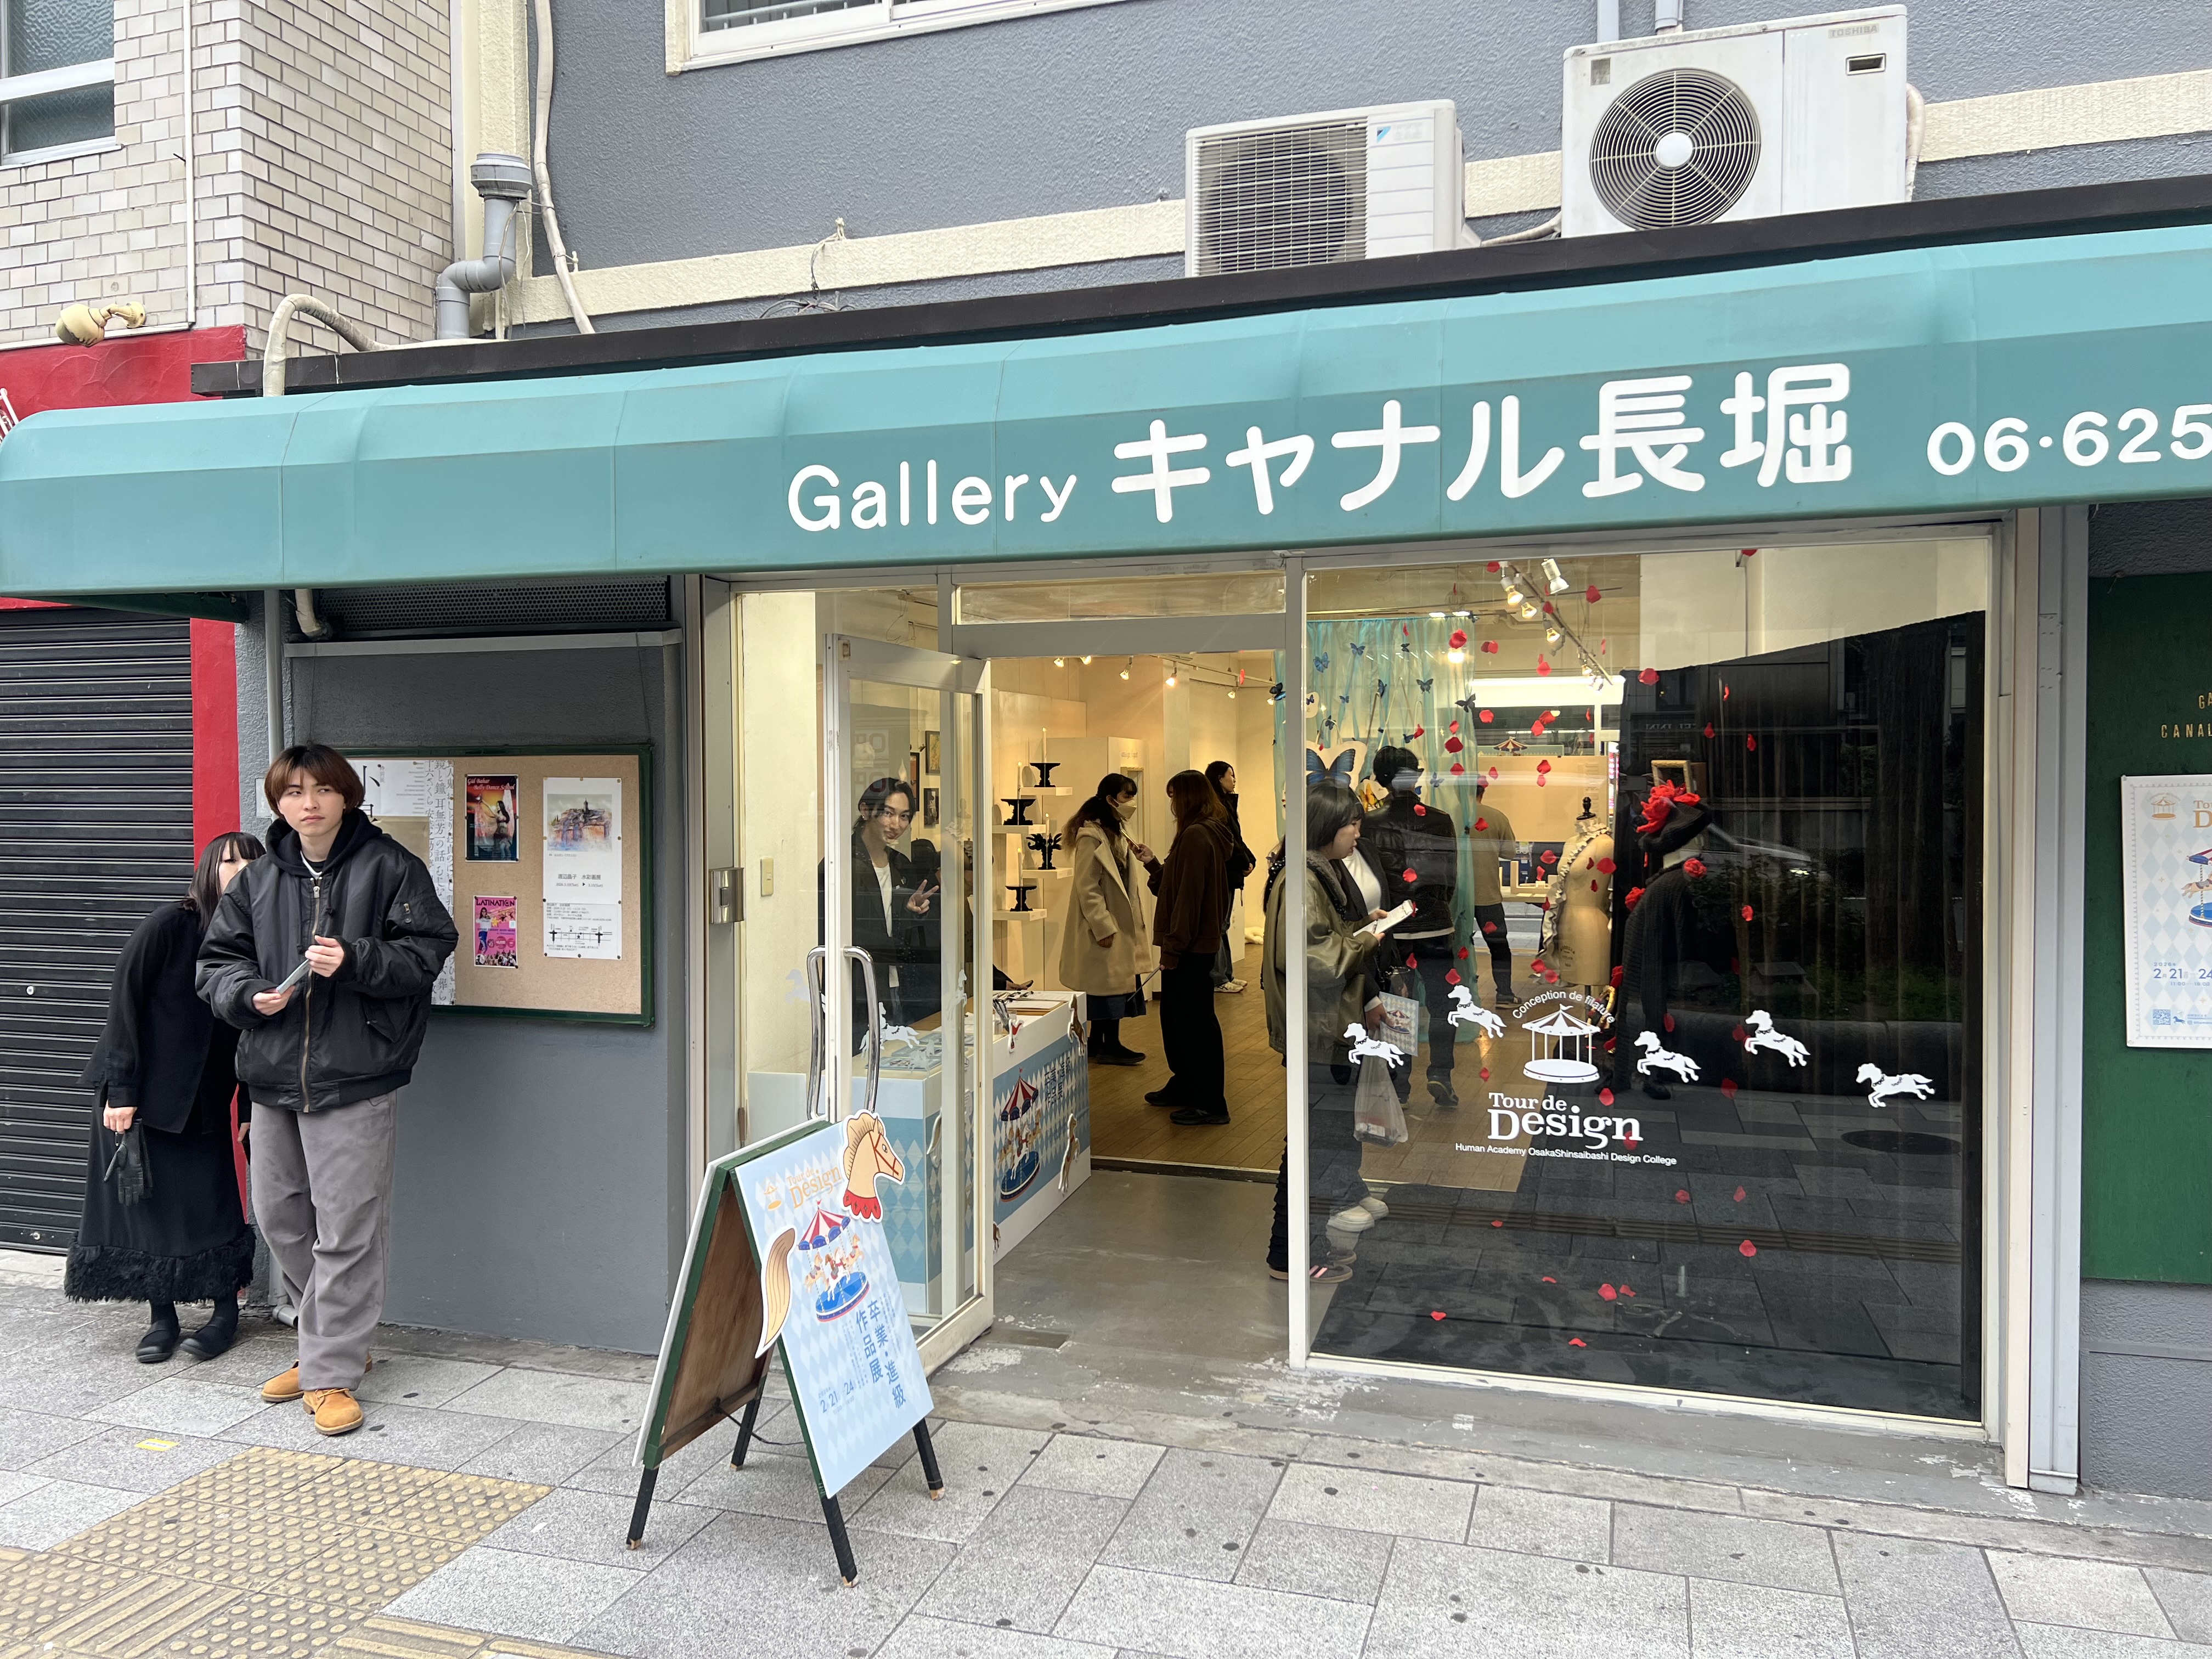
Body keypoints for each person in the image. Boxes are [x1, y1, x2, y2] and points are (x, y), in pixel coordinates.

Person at [198, 743, 458, 1437]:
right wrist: (248, 995)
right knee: (280, 1216)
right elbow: (216, 962)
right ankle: (327, 1345)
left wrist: (356, 958)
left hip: (356, 1072)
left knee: (347, 1226)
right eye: (292, 792)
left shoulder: (391, 867)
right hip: (272, 1072)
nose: (307, 803)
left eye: (320, 789)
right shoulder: (258, 880)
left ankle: (331, 1370)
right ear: (278, 803)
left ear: (346, 795)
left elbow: (429, 951)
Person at [68, 832, 267, 1362]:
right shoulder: (169, 924)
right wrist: (122, 1091)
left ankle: (225, 1313)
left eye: (253, 860)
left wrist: (249, 1105)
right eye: (229, 860)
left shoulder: (259, 936)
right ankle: (163, 1317)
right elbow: (124, 1006)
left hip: (206, 1097)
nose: (241, 869)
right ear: (208, 869)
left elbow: (256, 1030)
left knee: (214, 1203)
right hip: (139, 1094)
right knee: (149, 1208)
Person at [1262, 779, 1388, 1283]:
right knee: (1310, 1145)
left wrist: (1360, 929)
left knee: (1316, 1141)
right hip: (1318, 1030)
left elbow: (1321, 942)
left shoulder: (1316, 873)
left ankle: (1299, 1247)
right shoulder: (1304, 879)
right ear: (1327, 827)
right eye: (1352, 824)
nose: (1358, 833)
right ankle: (1290, 1254)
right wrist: (1368, 939)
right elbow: (1316, 959)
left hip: (1324, 1027)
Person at [1359, 746, 1463, 1105]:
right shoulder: (1440, 820)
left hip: (1392, 929)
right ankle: (1441, 1074)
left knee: (1398, 1006)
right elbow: (1449, 879)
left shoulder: (1369, 823)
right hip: (1435, 925)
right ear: (1416, 776)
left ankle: (1400, 1085)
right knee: (1443, 1005)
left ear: (1380, 779)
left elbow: (1370, 882)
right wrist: (1435, 907)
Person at [1138, 770, 1238, 1125]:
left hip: (1191, 949)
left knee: (1195, 1024)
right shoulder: (1198, 833)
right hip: (1191, 946)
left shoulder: (1197, 835)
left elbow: (1188, 901)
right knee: (1178, 1020)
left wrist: (1173, 949)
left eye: (1174, 797)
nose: (1172, 805)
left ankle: (1209, 1101)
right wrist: (1152, 863)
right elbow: (1174, 886)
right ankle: (1186, 1085)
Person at [823, 777, 939, 1046]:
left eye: (904, 816)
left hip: (898, 985)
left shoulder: (901, 864)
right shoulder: (841, 864)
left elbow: (898, 929)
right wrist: (892, 948)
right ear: (866, 811)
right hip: (856, 987)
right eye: (888, 813)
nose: (896, 824)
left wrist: (913, 911)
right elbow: (837, 933)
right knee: (861, 1059)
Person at [1058, 773, 1155, 1066]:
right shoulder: (1092, 836)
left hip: (1118, 923)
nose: (1132, 802)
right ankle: (1105, 1044)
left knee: (1112, 987)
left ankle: (1102, 1043)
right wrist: (1102, 925)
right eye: (1127, 796)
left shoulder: (1117, 831)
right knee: (1105, 988)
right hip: (1103, 925)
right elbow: (1087, 887)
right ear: (1111, 799)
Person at [1204, 761, 1259, 994]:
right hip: (1223, 872)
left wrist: (1250, 859)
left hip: (1230, 871)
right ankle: (1218, 978)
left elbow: (1237, 838)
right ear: (1219, 778)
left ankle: (1226, 974)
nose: (1234, 780)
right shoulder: (1215, 807)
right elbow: (1230, 841)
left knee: (1224, 925)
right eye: (1231, 775)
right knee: (1219, 925)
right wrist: (1244, 861)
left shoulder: (1225, 803)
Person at [1466, 777, 1520, 1006]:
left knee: (1456, 947)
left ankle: (1457, 996)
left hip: (1457, 897)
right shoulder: (1497, 817)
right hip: (1487, 894)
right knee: (1499, 947)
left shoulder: (1451, 816)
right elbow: (1510, 853)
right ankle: (1504, 994)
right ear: (1483, 792)